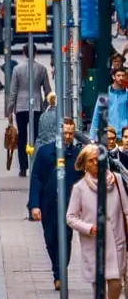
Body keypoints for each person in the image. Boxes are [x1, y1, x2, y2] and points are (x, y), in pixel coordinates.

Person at [67, 143, 128, 299]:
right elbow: (70, 217)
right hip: (95, 243)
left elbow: (126, 209)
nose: (96, 164)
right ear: (85, 165)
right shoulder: (79, 189)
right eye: (92, 161)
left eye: (99, 160)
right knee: (99, 284)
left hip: (116, 239)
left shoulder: (116, 180)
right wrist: (88, 228)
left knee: (116, 283)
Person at [31, 118, 85, 289]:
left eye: (71, 133)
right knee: (50, 238)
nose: (68, 136)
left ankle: (59, 273)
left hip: (69, 205)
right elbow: (36, 179)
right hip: (48, 204)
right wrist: (34, 205)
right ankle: (57, 269)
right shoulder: (46, 152)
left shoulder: (77, 155)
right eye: (65, 133)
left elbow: (83, 180)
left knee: (66, 238)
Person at [6, 46, 53, 177]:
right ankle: (36, 164)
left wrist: (9, 109)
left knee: (22, 137)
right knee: (37, 137)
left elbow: (13, 91)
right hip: (37, 106)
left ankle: (23, 167)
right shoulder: (42, 69)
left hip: (21, 107)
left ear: (23, 53)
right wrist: (44, 105)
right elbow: (48, 90)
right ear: (36, 53)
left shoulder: (17, 69)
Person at [90, 68, 128, 139]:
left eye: (123, 76)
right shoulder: (105, 93)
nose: (121, 78)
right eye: (118, 75)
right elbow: (97, 114)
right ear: (113, 77)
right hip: (107, 135)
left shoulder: (127, 93)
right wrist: (92, 136)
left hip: (124, 136)